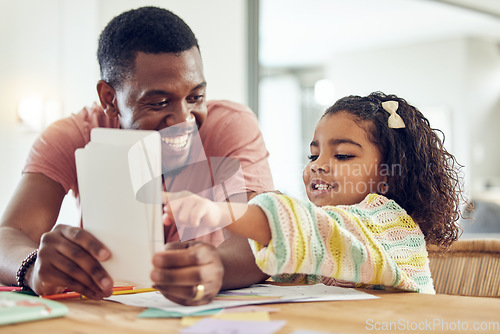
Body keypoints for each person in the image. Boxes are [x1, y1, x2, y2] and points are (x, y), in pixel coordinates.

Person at [0, 6, 274, 306]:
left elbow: (261, 235)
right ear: (110, 98)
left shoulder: (230, 125)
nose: (184, 119)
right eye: (158, 102)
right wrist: (32, 266)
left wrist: (216, 267)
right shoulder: (73, 135)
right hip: (109, 311)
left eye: (195, 97)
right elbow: (9, 234)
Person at [165, 92, 465, 293]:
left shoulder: (390, 223)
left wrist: (215, 211)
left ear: (387, 175)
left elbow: (314, 230)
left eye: (343, 155)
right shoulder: (318, 226)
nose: (318, 166)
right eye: (313, 156)